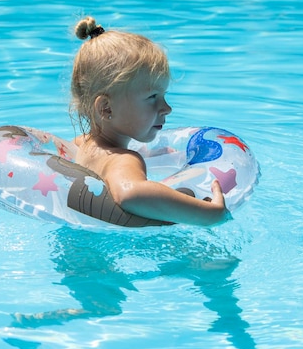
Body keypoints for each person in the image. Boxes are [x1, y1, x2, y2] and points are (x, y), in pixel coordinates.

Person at [70, 16, 229, 226]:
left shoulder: (83, 142)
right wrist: (210, 214)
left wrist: (150, 154)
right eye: (152, 97)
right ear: (106, 108)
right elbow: (130, 193)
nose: (167, 108)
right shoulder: (124, 160)